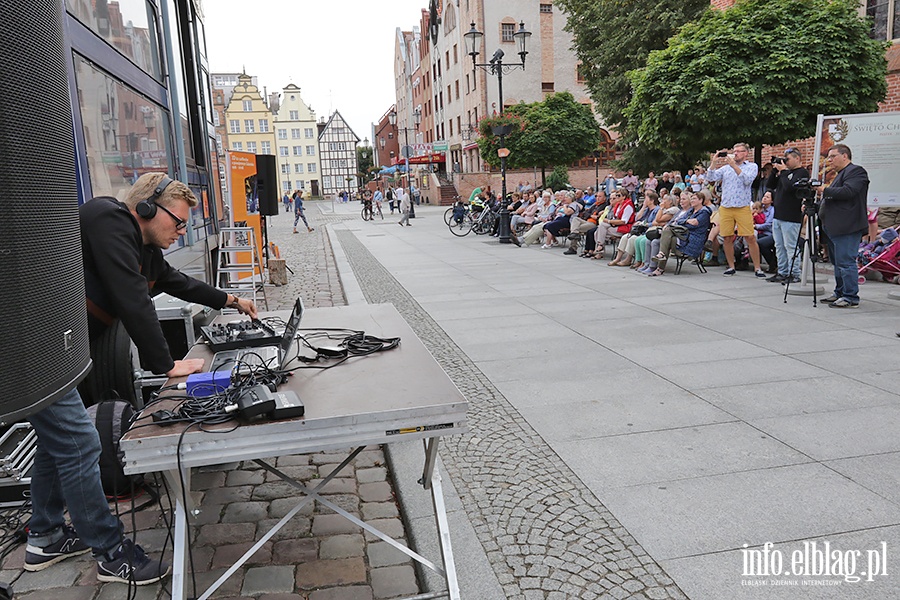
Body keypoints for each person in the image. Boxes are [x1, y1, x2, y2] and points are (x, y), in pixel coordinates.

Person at [24, 173, 258, 586]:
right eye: (179, 222)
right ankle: (111, 553)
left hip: (57, 351)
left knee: (58, 441)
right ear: (147, 207)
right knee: (80, 442)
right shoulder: (107, 218)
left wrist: (232, 300)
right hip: (32, 348)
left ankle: (45, 536)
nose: (182, 231)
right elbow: (132, 297)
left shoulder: (145, 250)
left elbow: (178, 283)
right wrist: (166, 365)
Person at [815, 144, 870, 308]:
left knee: (846, 262)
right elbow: (834, 201)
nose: (830, 160)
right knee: (838, 263)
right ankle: (839, 292)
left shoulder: (856, 172)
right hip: (833, 226)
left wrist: (824, 189)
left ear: (845, 156)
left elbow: (848, 192)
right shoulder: (840, 175)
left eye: (833, 156)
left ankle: (850, 296)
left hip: (847, 226)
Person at [705, 142, 766, 277]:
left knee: (750, 237)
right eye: (734, 151)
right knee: (727, 237)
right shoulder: (726, 168)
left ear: (746, 153)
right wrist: (714, 163)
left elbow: (747, 180)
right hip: (726, 206)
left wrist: (734, 166)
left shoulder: (751, 167)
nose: (736, 153)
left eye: (739, 151)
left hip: (742, 207)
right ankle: (731, 266)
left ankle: (757, 268)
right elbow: (710, 178)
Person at [764, 148, 809, 283]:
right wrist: (774, 171)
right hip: (778, 215)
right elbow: (770, 185)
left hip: (791, 216)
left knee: (791, 246)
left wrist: (783, 172)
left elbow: (791, 188)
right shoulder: (784, 174)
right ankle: (782, 271)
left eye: (788, 159)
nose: (786, 162)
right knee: (779, 246)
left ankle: (794, 273)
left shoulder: (802, 173)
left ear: (797, 158)